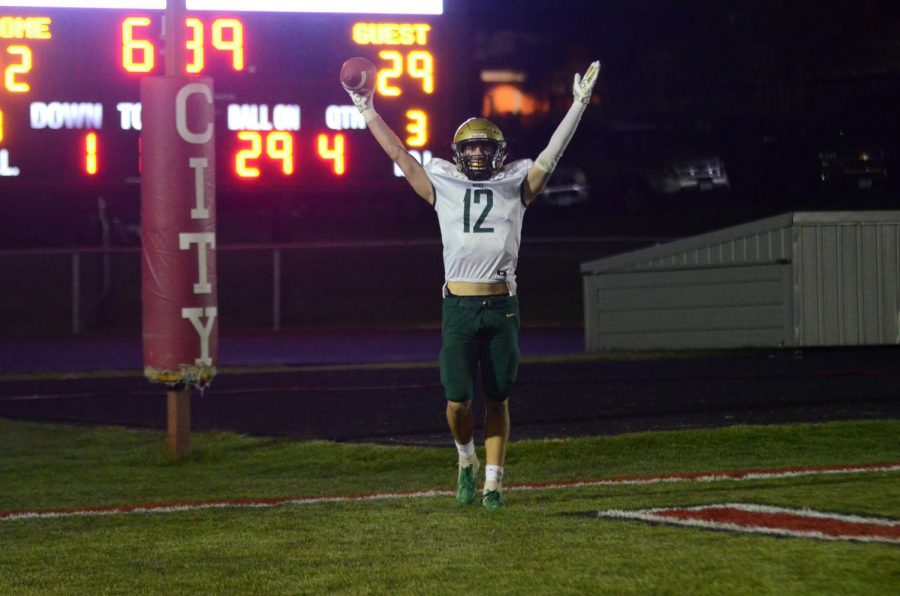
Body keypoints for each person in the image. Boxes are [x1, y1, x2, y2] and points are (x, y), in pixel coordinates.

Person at [344, 60, 600, 509]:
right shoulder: (441, 181)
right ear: (459, 153)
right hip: (459, 309)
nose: (478, 155)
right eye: (472, 149)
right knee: (457, 404)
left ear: (498, 153)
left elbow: (550, 157)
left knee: (497, 399)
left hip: (502, 309)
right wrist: (366, 110)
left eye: (485, 149)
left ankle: (494, 486)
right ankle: (466, 460)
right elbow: (400, 155)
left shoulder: (516, 182)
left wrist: (578, 106)